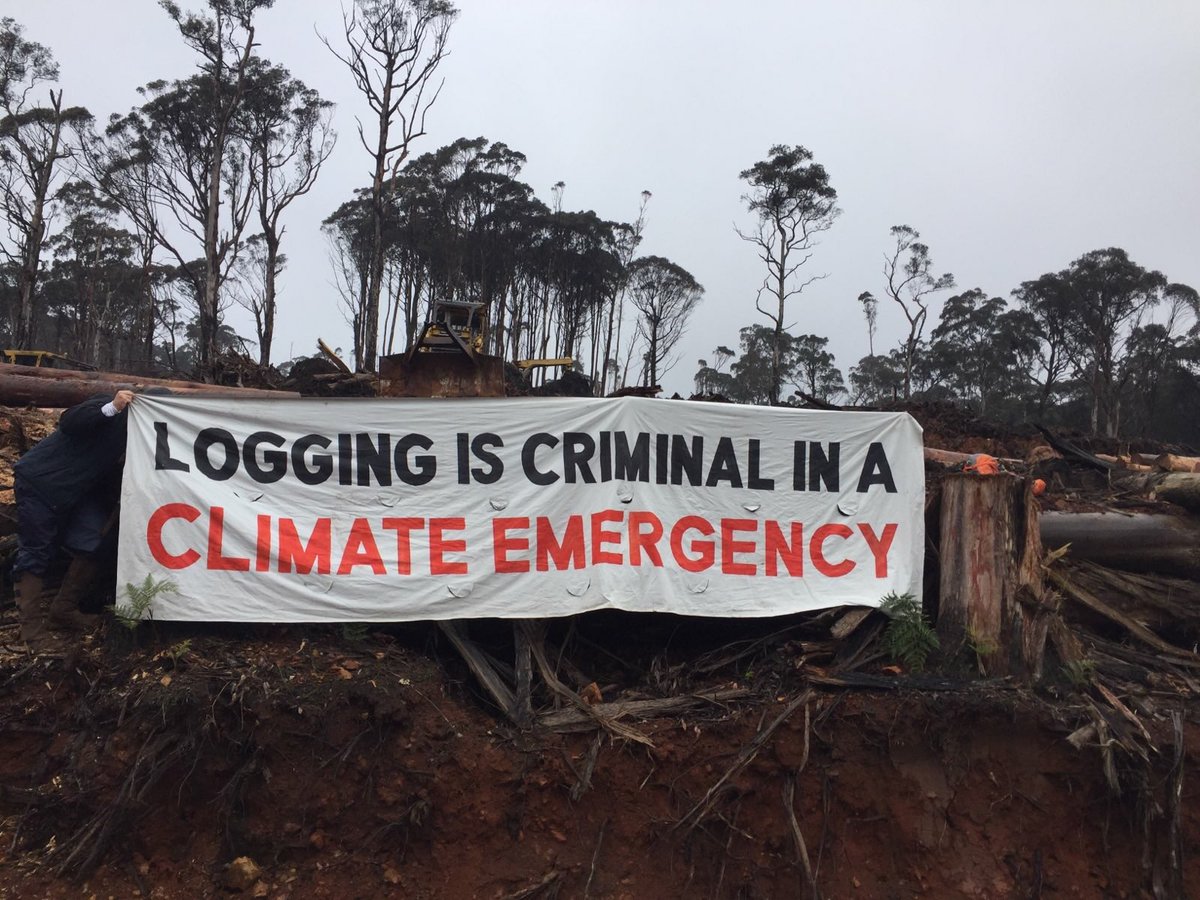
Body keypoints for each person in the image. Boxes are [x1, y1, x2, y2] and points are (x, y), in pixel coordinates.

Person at [11, 388, 149, 652]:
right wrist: (113, 407)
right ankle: (32, 636)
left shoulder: (140, 436)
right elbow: (70, 421)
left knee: (97, 540)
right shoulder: (112, 406)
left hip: (76, 493)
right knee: (35, 554)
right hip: (41, 484)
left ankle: (62, 611)